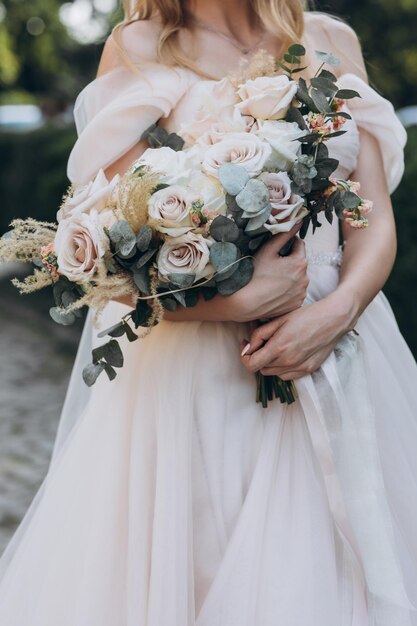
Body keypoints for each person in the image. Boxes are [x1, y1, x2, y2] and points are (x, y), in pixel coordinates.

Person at [0, 1, 416, 624]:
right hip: (200, 376)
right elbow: (107, 257)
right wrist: (241, 301)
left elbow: (375, 216)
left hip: (346, 345)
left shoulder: (329, 40)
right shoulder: (142, 46)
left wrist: (339, 312)